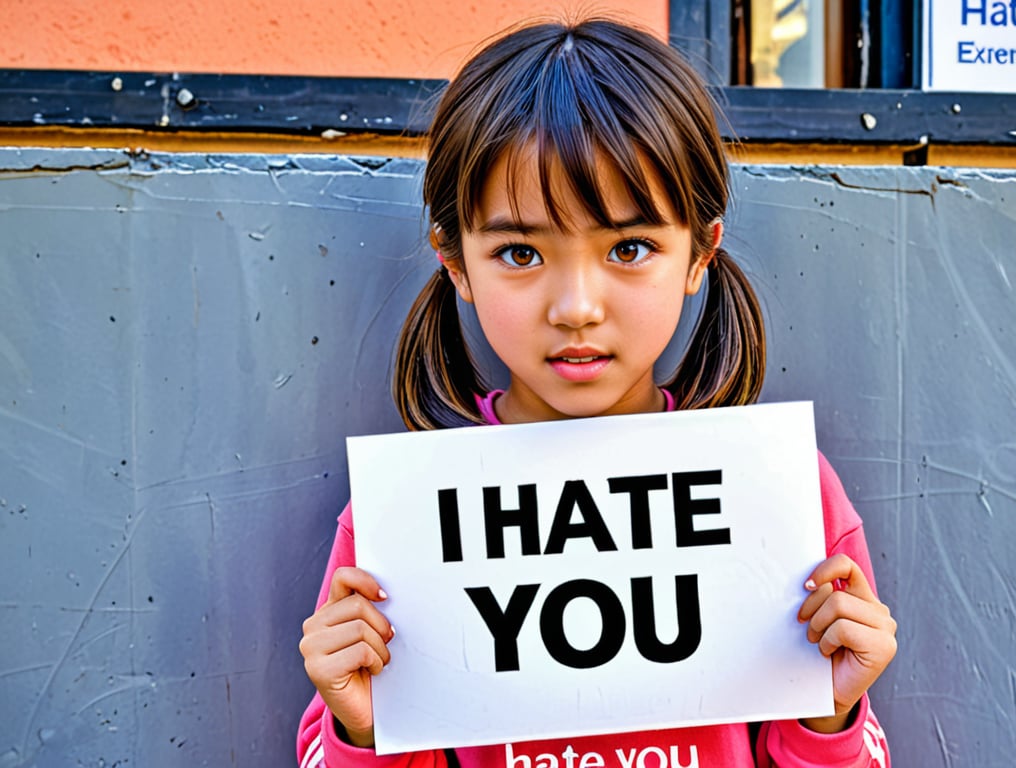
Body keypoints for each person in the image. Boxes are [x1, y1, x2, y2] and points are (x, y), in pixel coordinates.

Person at [298, 17, 896, 768]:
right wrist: (359, 729)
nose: (576, 305)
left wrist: (832, 711)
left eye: (629, 248)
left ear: (698, 254)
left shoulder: (785, 499)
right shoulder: (400, 523)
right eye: (520, 252)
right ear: (456, 265)